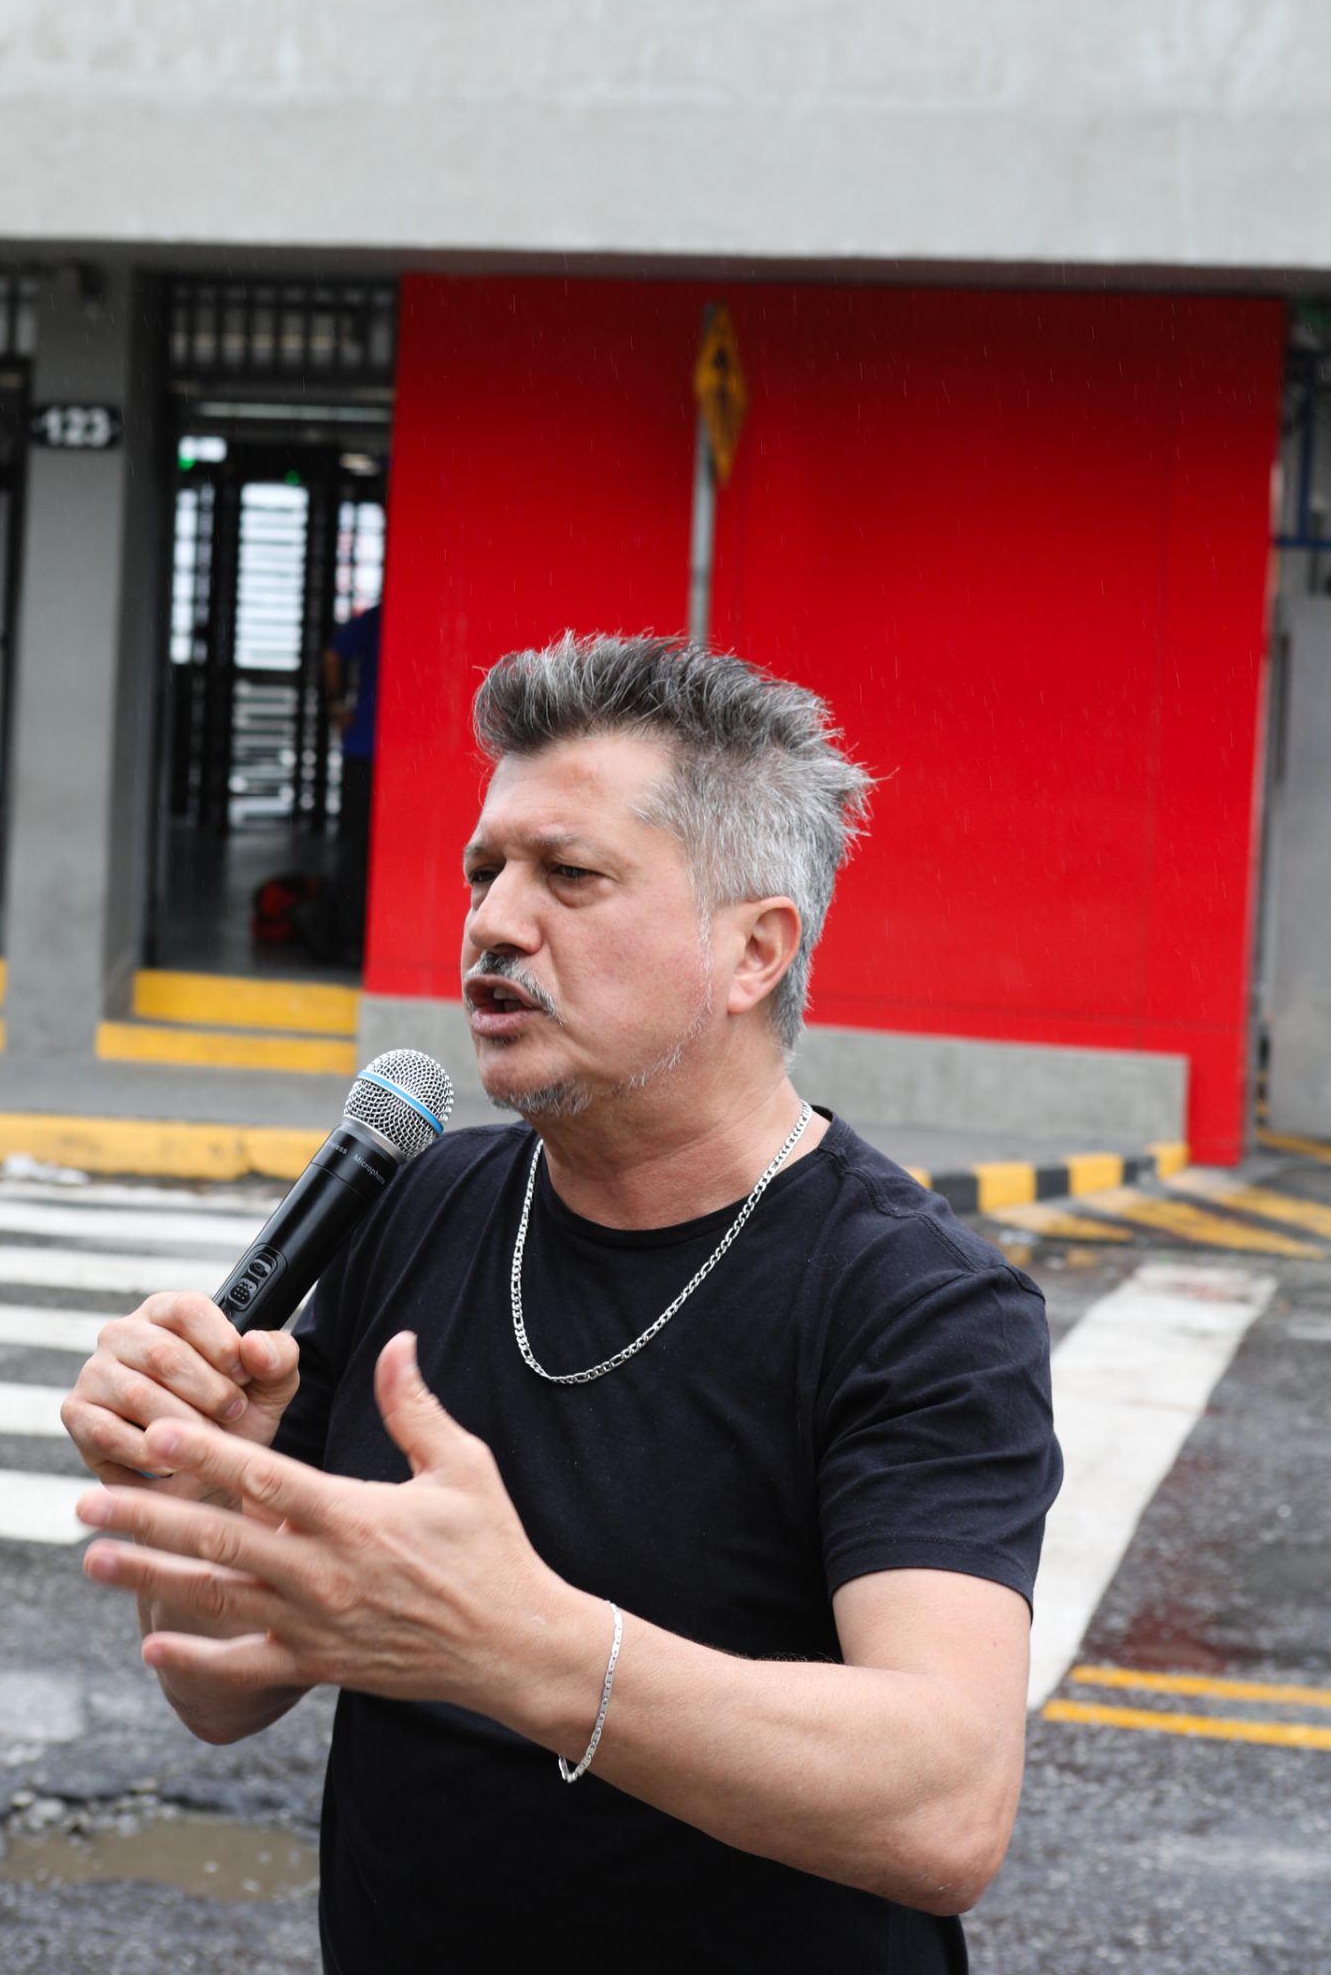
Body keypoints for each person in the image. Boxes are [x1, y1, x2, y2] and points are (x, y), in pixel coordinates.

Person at [62, 634, 1061, 1972]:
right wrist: (197, 1478)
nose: (492, 920)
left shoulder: (913, 1303)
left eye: (569, 876)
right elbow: (218, 1686)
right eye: (486, 869)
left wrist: (514, 1645)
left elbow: (942, 1805)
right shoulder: (414, 1206)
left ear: (753, 950)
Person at [319, 600, 381, 965]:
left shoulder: (377, 617)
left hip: (364, 751)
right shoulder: (390, 617)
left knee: (353, 850)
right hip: (390, 755)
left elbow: (332, 656)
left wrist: (339, 706)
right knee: (370, 853)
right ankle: (354, 939)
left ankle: (348, 942)